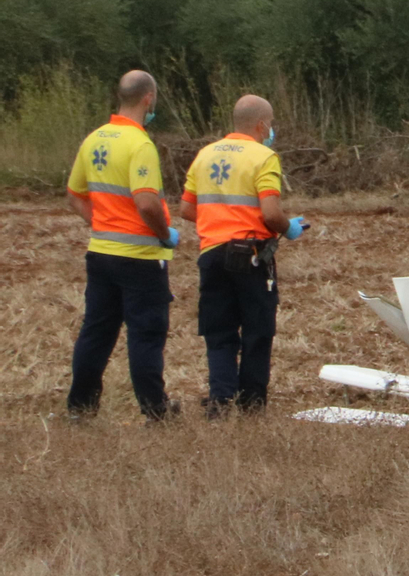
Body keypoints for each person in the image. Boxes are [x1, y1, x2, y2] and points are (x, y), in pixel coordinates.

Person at [178, 95, 306, 415]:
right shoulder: (264, 157)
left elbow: (186, 209)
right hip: (250, 254)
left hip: (211, 254)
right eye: (271, 123)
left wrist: (217, 220)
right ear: (262, 124)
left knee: (219, 332)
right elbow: (271, 213)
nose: (271, 129)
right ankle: (252, 404)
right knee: (257, 330)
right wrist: (288, 227)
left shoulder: (204, 155)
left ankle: (220, 400)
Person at [65, 69, 178, 421]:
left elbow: (75, 193)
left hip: (101, 253)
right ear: (148, 98)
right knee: (145, 334)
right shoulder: (139, 143)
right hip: (140, 258)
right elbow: (146, 202)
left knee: (96, 332)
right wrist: (163, 234)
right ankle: (155, 410)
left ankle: (81, 407)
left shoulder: (95, 138)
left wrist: (101, 224)